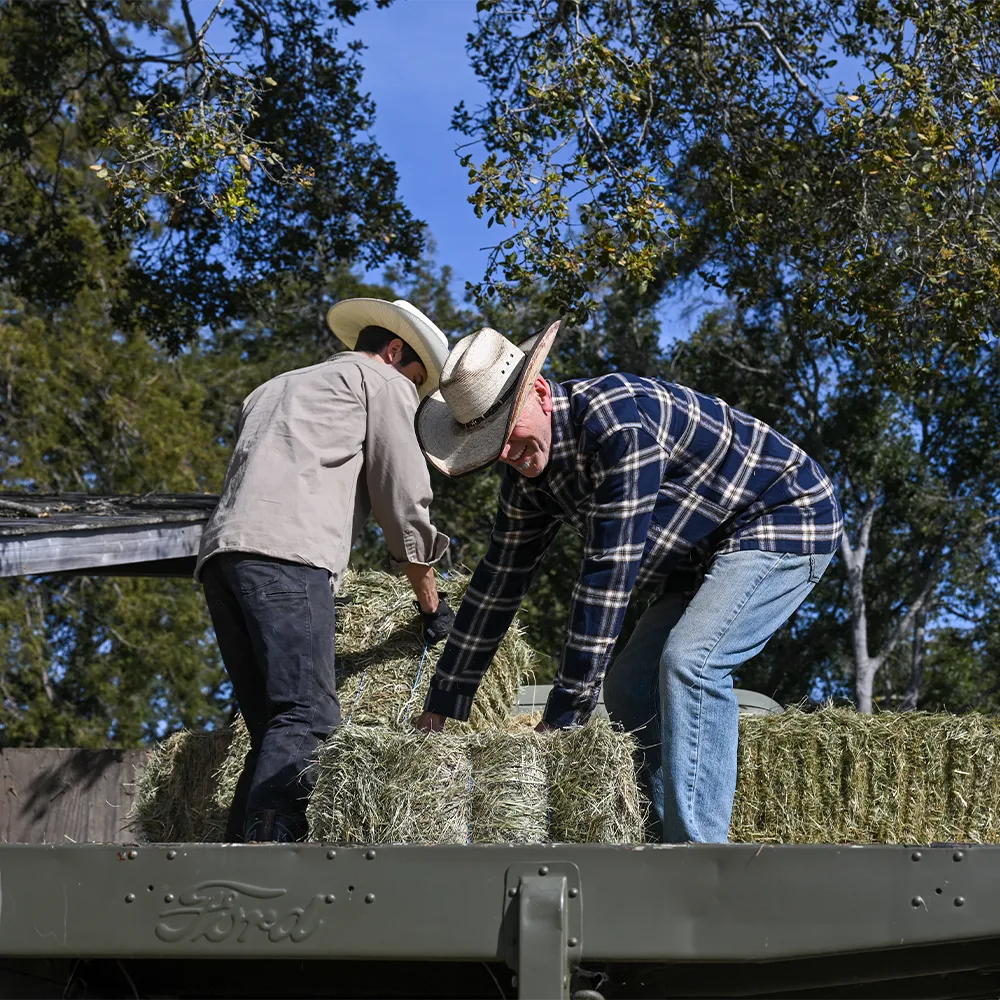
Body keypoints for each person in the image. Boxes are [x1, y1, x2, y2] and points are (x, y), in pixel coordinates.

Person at [412, 322, 842, 843]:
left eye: (507, 432)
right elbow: (495, 587)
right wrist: (443, 703)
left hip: (783, 513)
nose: (505, 453)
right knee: (626, 689)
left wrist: (563, 717)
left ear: (541, 394)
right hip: (700, 552)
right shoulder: (527, 476)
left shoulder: (619, 426)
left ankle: (701, 853)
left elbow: (609, 578)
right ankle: (657, 840)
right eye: (489, 445)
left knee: (692, 662)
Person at [196, 298, 457, 843]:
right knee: (310, 716)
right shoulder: (380, 383)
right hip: (288, 558)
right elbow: (404, 499)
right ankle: (272, 856)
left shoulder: (274, 386)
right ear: (393, 352)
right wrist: (431, 603)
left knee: (275, 726)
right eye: (416, 382)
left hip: (222, 559)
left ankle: (229, 856)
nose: (412, 397)